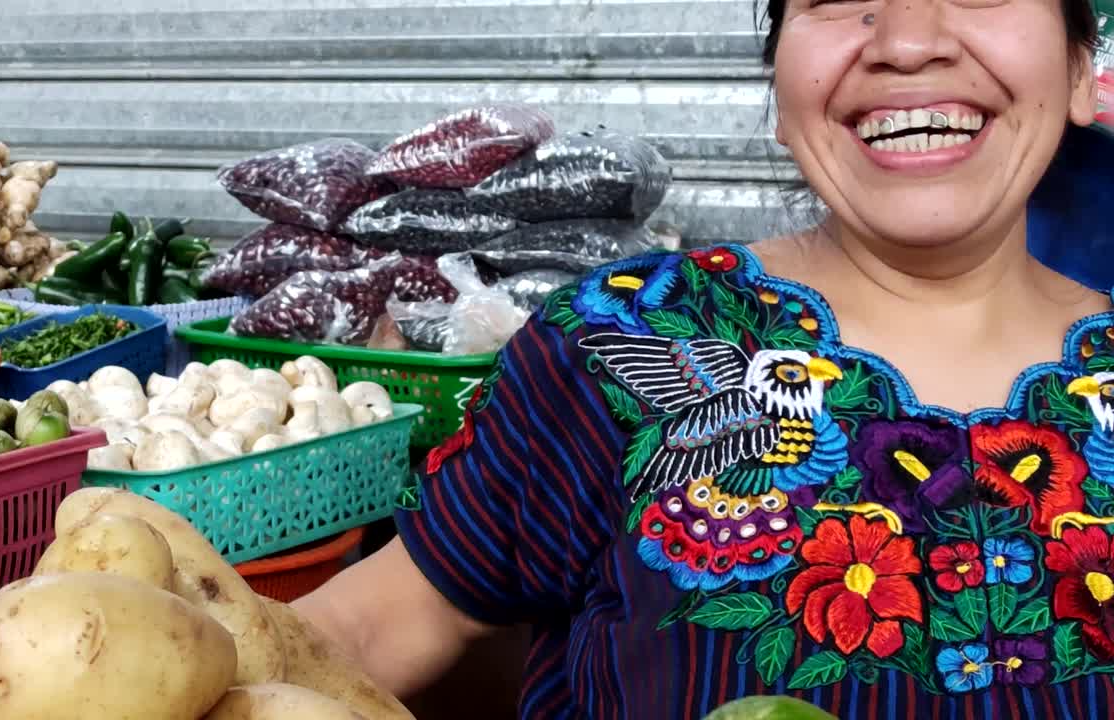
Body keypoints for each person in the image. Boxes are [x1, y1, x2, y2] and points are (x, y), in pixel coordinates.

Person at [294, 0, 1114, 715]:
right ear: (783, 88)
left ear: (1083, 69)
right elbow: (374, 624)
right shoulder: (624, 338)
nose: (906, 41)